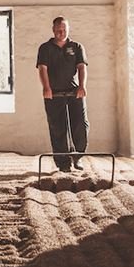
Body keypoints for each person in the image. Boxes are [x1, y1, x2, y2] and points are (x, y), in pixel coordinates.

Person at [36, 16, 89, 172]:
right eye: (58, 29)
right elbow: (42, 69)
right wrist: (46, 88)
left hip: (74, 92)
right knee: (58, 127)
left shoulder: (77, 47)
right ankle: (63, 163)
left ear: (68, 29)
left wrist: (82, 86)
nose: (61, 32)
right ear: (53, 30)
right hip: (54, 93)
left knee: (80, 125)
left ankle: (78, 157)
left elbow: (81, 67)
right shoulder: (45, 48)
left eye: (64, 29)